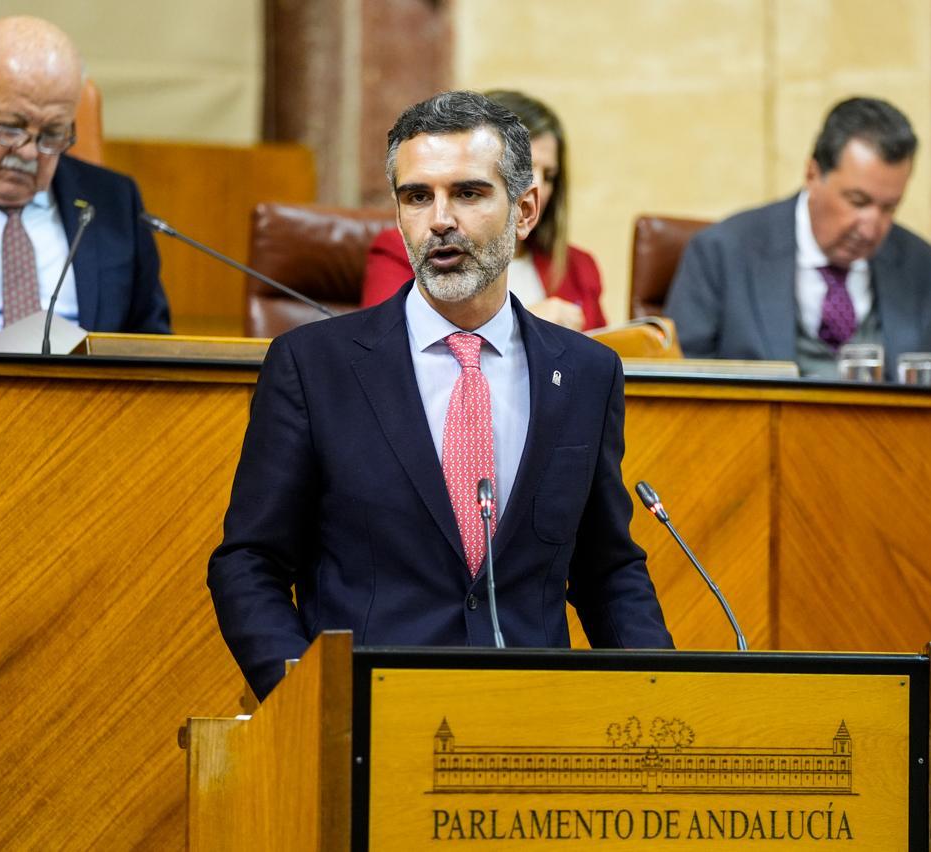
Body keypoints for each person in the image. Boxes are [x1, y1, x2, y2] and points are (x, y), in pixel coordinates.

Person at [209, 90, 672, 701]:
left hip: (535, 721)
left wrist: (667, 693)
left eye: (470, 193)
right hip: (366, 719)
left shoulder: (585, 373)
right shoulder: (313, 366)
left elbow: (605, 569)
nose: (440, 219)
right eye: (417, 196)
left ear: (525, 210)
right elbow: (249, 562)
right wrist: (305, 701)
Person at [664, 97, 931, 383]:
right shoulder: (722, 253)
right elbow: (681, 390)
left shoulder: (919, 264)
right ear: (812, 175)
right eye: (857, 201)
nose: (872, 229)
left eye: (889, 208)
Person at [0, 16, 169, 349]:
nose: (30, 152)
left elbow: (152, 345)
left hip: (91, 399)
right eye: (11, 127)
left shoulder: (114, 202)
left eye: (52, 134)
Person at [360, 89, 606, 331]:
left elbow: (602, 355)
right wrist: (527, 324)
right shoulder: (406, 248)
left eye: (549, 175)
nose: (538, 185)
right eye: (528, 170)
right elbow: (380, 344)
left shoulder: (577, 266)